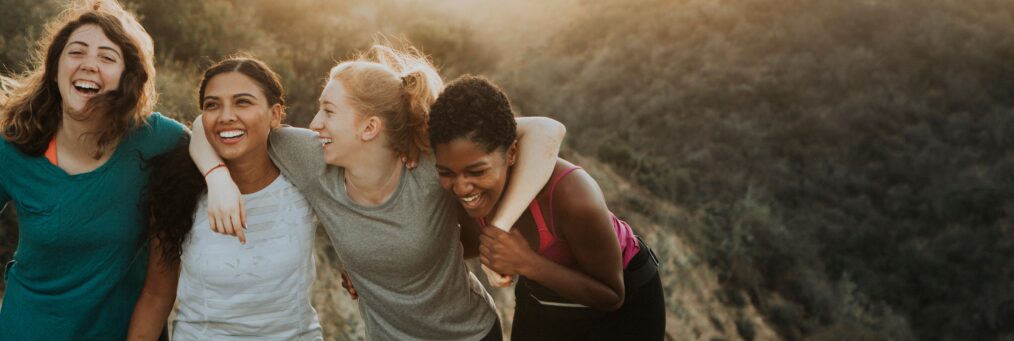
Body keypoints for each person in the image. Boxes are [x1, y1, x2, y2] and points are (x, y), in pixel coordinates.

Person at [191, 44, 565, 340]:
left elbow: (547, 130)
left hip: (469, 334)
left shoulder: (430, 162)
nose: (314, 123)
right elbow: (206, 123)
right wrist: (217, 177)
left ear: (369, 127)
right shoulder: (310, 157)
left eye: (328, 111)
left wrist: (497, 230)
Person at [0, 1, 187, 339]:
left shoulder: (158, 140)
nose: (89, 65)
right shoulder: (13, 144)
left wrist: (219, 179)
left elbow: (208, 135)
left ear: (127, 76)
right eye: (77, 52)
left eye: (107, 57)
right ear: (55, 67)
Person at [429, 76, 666, 340]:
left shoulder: (573, 196)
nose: (461, 188)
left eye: (477, 171)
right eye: (447, 172)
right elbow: (457, 246)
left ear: (511, 153)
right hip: (544, 291)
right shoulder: (464, 196)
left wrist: (525, 262)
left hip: (623, 300)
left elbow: (612, 295)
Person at [126, 56, 323, 340]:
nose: (226, 116)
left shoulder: (303, 176)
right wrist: (216, 176)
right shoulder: (177, 189)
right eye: (212, 105)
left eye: (243, 102)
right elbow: (157, 296)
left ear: (275, 114)